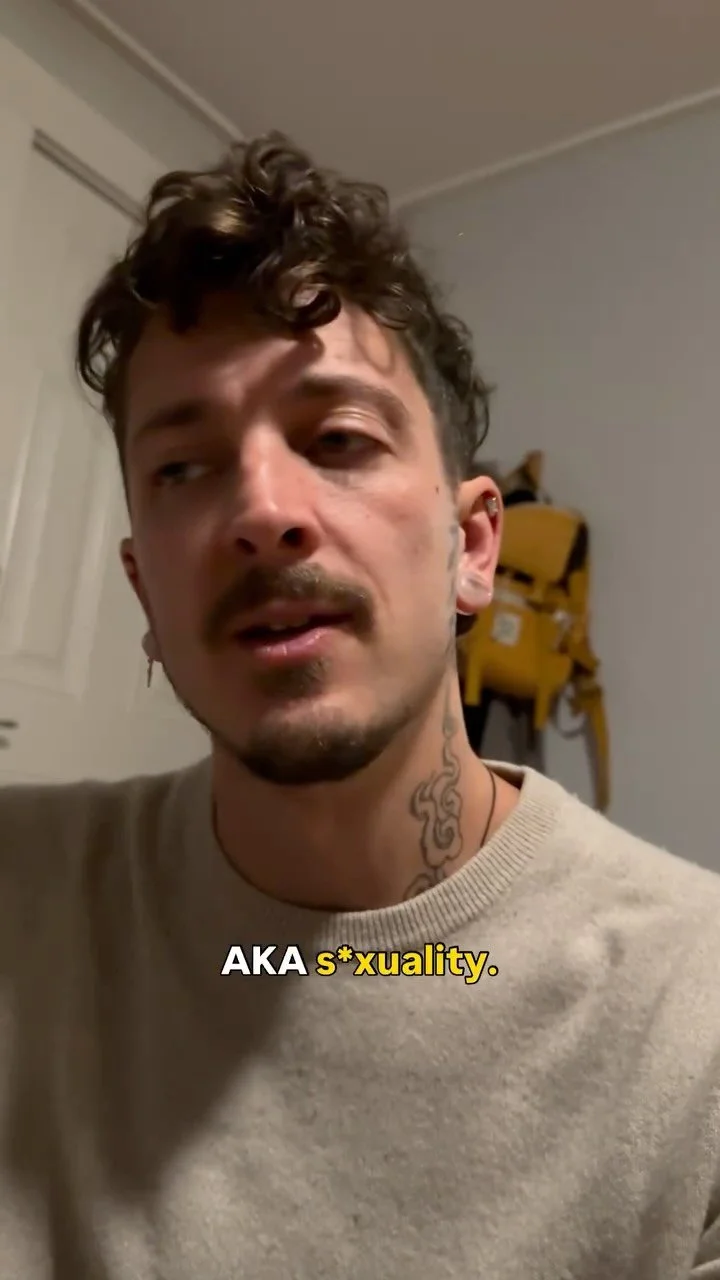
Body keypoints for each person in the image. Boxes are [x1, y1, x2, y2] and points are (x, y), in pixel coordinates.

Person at [0, 132, 719, 1280]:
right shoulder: (22, 899)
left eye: (338, 437)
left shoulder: (695, 1013)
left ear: (472, 546)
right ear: (145, 589)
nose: (261, 510)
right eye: (183, 467)